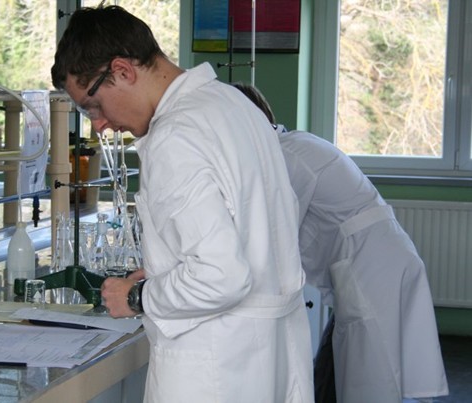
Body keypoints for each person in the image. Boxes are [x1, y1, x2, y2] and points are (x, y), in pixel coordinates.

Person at [51, 5, 314, 402]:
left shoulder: (174, 136)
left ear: (121, 70)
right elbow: (248, 232)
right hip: (270, 354)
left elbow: (221, 276)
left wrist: (136, 297)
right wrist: (164, 271)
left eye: (93, 105)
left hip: (215, 368)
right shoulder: (232, 104)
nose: (98, 124)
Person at [233, 83, 449, 403]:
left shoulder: (286, 157)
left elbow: (272, 235)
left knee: (371, 375)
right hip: (375, 260)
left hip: (371, 266)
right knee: (345, 363)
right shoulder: (294, 145)